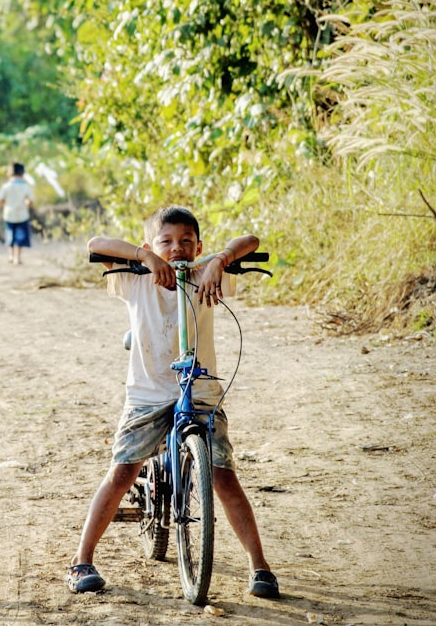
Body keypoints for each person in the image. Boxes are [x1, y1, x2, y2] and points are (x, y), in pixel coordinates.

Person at [66, 206, 280, 600]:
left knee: (224, 475)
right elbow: (96, 244)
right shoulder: (136, 279)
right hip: (148, 393)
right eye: (165, 242)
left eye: (186, 242)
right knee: (122, 472)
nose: (176, 249)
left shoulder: (205, 275)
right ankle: (82, 559)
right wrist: (144, 258)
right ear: (150, 246)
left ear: (198, 246)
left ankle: (260, 566)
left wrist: (220, 260)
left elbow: (251, 240)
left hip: (199, 393)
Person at [0, 162, 35, 265]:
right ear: (22, 173)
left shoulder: (6, 186)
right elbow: (31, 200)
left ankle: (11, 255)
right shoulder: (25, 186)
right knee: (20, 237)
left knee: (10, 235)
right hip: (22, 215)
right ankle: (17, 258)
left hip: (9, 214)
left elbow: (0, 200)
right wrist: (27, 203)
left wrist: (6, 204)